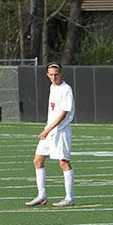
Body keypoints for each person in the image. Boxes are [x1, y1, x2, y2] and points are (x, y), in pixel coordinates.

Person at [26, 62, 75, 207]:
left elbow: (64, 113)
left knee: (63, 162)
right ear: (47, 75)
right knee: (38, 160)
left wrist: (48, 130)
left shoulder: (66, 89)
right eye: (51, 75)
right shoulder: (52, 87)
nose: (54, 77)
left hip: (60, 131)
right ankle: (41, 195)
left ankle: (69, 198)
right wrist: (47, 129)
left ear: (61, 74)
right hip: (49, 130)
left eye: (56, 74)